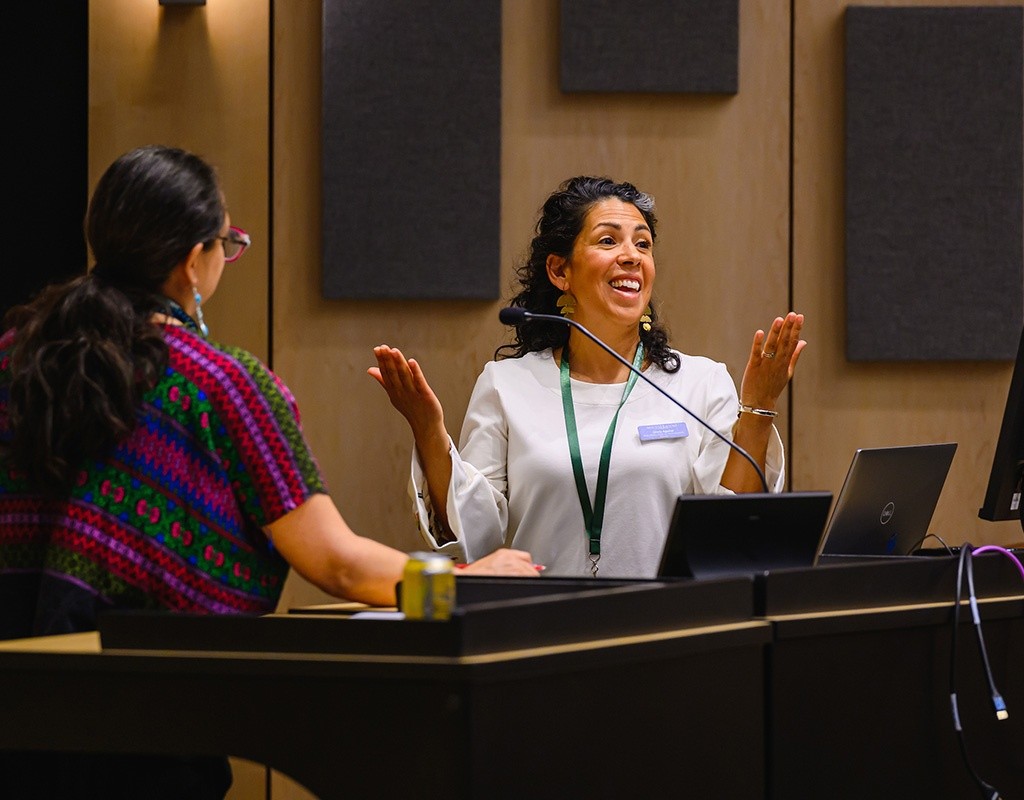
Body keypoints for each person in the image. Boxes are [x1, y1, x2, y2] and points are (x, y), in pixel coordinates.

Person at [0, 144, 537, 798]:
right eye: (226, 243)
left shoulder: (18, 355)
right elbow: (336, 563)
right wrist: (463, 581)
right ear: (191, 260)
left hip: (19, 716)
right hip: (147, 727)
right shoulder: (221, 385)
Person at [370, 176, 805, 579]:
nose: (632, 256)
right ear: (561, 272)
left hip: (667, 631)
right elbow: (475, 540)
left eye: (643, 244)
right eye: (608, 240)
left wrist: (760, 408)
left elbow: (729, 534)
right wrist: (428, 431)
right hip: (545, 630)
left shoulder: (701, 382)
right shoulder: (507, 385)